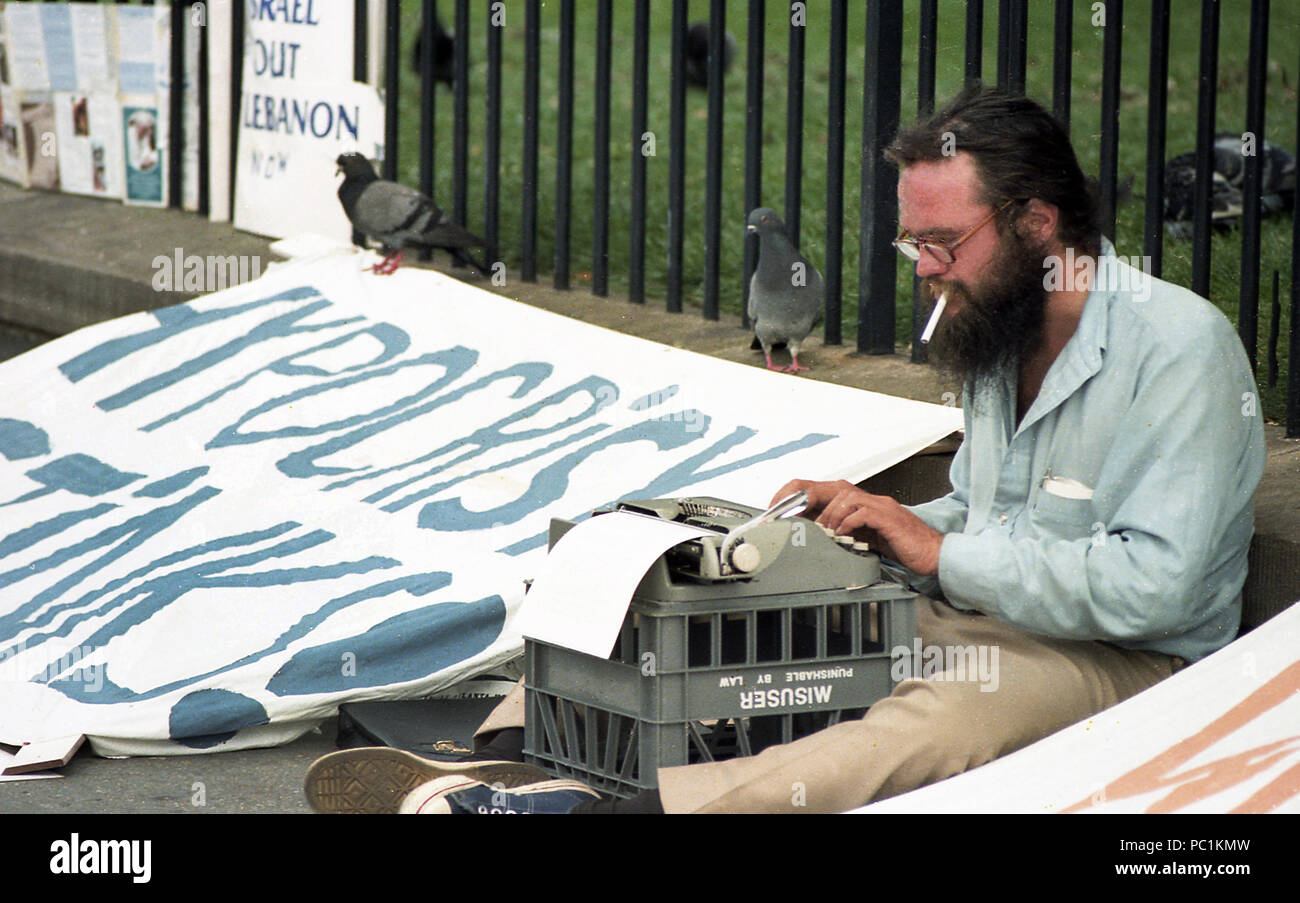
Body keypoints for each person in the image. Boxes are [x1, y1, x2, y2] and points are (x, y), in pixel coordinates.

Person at [303, 85, 1266, 815]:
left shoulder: (1179, 348)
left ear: (1037, 224)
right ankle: (504, 760)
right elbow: (986, 514)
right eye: (911, 246)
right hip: (976, 608)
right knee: (714, 602)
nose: (925, 270)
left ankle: (623, 808)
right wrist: (862, 532)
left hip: (1126, 661)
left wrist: (936, 553)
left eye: (942, 243)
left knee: (933, 722)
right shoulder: (994, 321)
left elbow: (1163, 590)